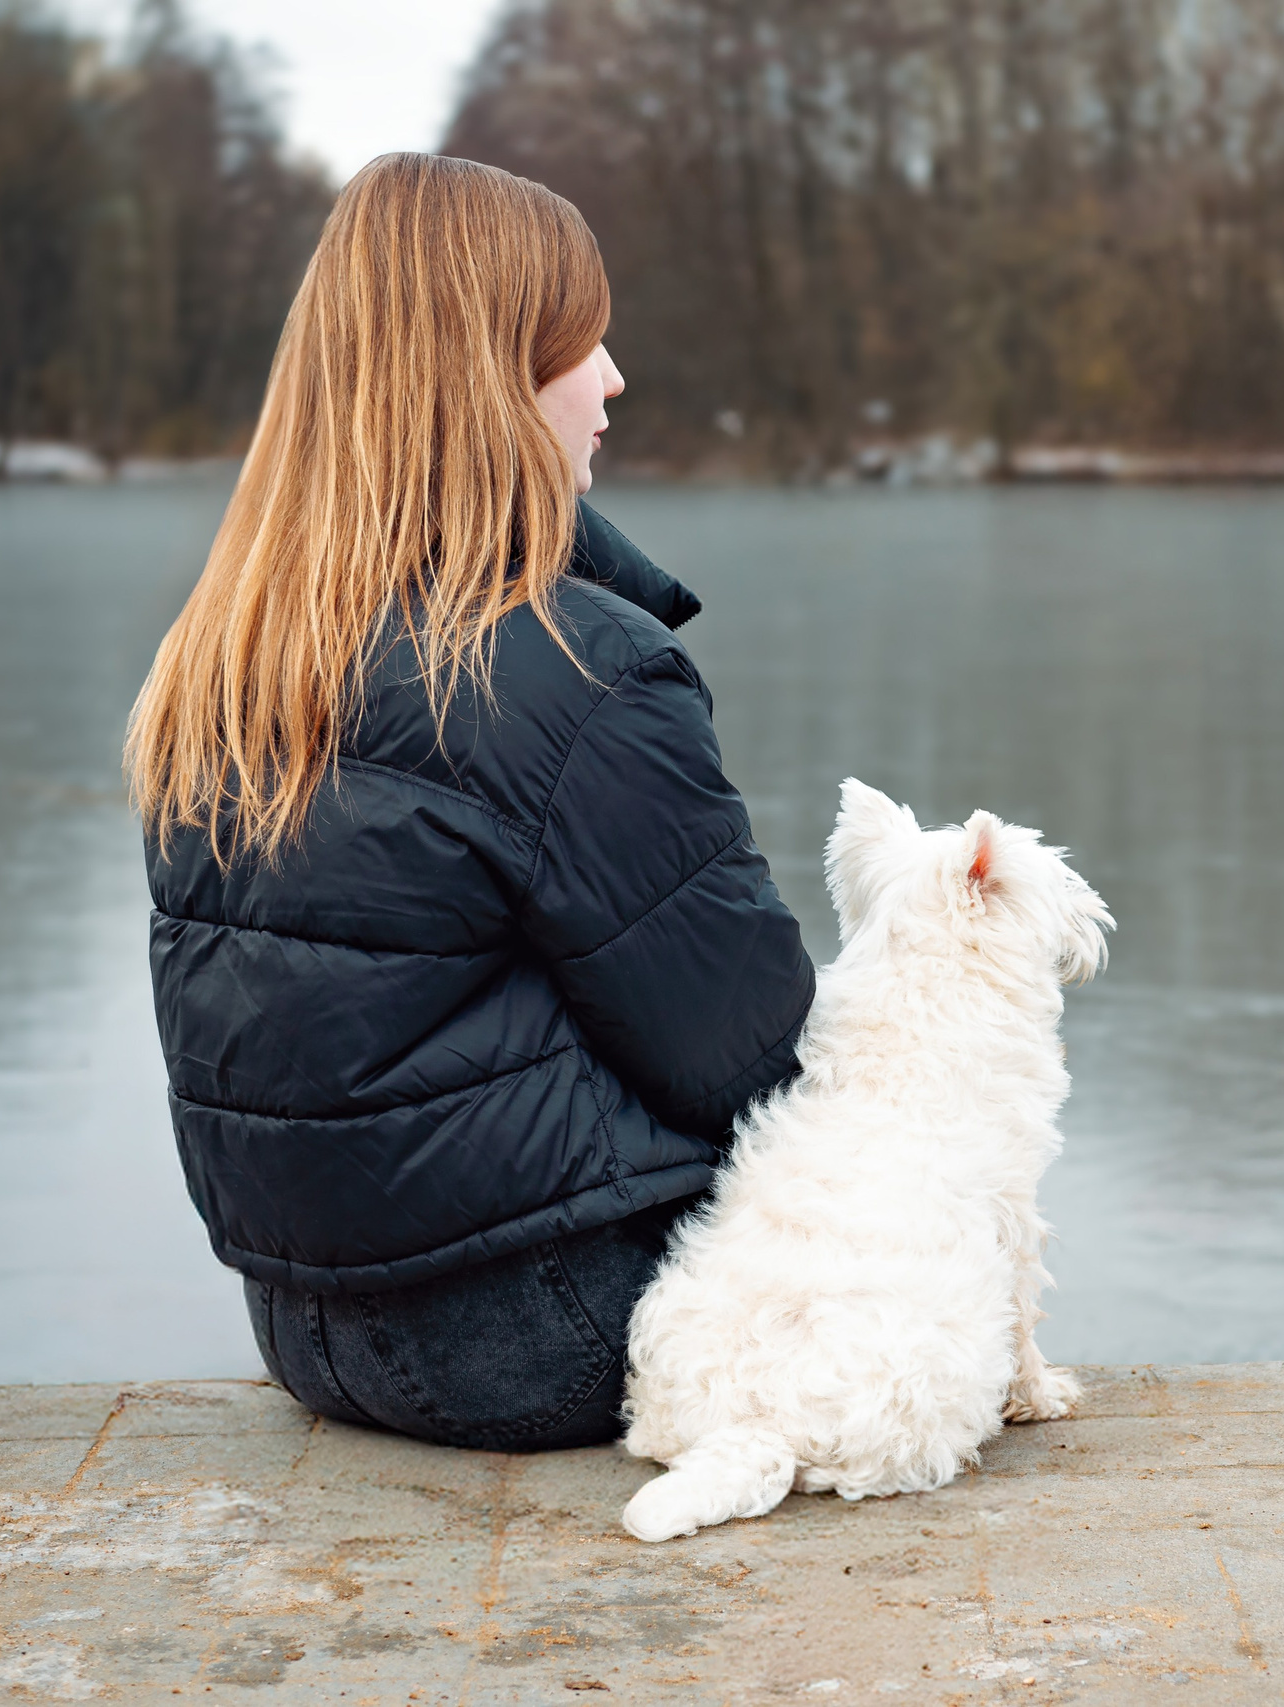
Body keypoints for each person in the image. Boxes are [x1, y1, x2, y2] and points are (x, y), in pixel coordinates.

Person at [123, 153, 814, 1451]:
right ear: (493, 371)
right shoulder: (573, 669)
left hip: (306, 1332)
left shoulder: (224, 655)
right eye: (581, 346)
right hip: (550, 1332)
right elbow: (754, 1058)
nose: (612, 382)